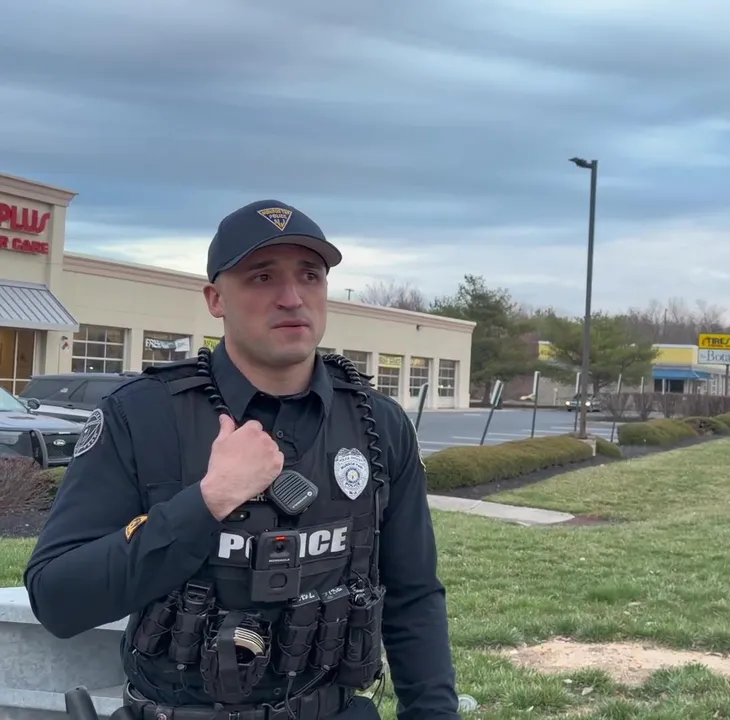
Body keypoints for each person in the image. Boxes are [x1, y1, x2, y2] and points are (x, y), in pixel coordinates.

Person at [24, 200, 462, 720]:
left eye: (310, 275)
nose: (292, 297)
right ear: (216, 299)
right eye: (262, 277)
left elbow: (414, 597)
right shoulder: (142, 415)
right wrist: (207, 502)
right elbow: (58, 599)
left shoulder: (377, 422)